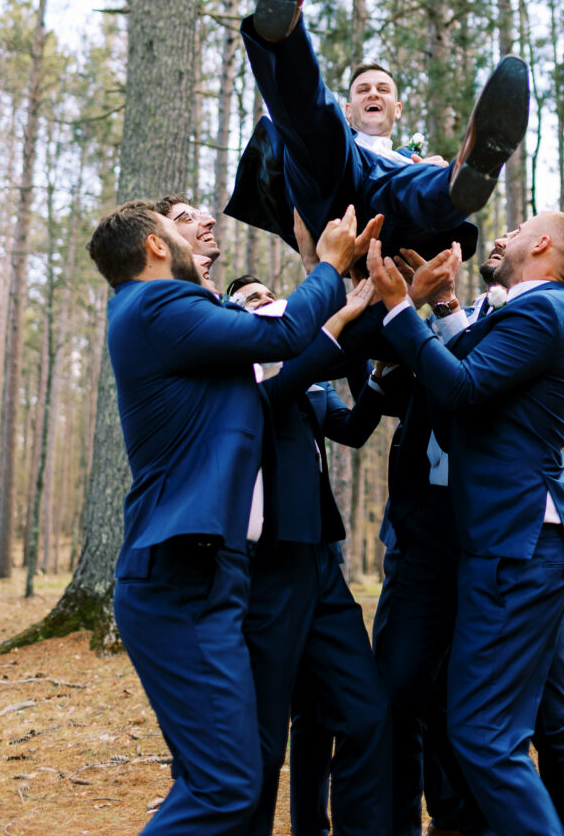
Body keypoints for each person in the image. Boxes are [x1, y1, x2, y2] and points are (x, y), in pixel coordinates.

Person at [87, 199, 357, 836]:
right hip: (181, 575)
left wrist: (350, 305)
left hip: (211, 572)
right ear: (157, 245)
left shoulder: (166, 315)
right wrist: (326, 264)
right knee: (226, 787)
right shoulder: (157, 304)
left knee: (221, 776)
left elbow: (276, 376)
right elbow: (280, 335)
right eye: (178, 229)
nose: (198, 237)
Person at [366, 213, 564, 836]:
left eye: (518, 229)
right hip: (509, 542)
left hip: (514, 543)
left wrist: (396, 310)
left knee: (483, 733)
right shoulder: (516, 310)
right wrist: (440, 306)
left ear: (543, 244)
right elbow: (463, 355)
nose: (500, 238)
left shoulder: (542, 309)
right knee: (533, 713)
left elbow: (461, 384)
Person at [225, 0, 530, 262]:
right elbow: (306, 115)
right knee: (317, 126)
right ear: (351, 109)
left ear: (397, 108)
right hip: (329, 198)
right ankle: (285, 26)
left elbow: (404, 193)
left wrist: (431, 172)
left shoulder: (407, 165)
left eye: (383, 89)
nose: (373, 94)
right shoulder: (339, 132)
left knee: (410, 183)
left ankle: (459, 180)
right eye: (363, 89)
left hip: (388, 222)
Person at [225, 272, 393, 836]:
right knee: (268, 735)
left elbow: (356, 428)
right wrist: (347, 313)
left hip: (323, 562)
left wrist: (381, 376)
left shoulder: (310, 387)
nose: (264, 302)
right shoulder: (239, 379)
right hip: (271, 567)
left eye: (267, 295)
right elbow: (296, 370)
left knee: (368, 712)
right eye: (247, 301)